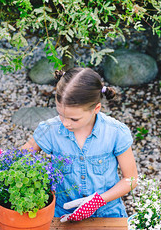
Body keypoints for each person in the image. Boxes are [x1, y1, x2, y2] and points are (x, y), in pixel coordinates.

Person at [21, 68, 138, 221]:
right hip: (62, 214)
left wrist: (97, 201)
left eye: (74, 119)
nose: (65, 123)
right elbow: (21, 157)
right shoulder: (50, 129)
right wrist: (5, 161)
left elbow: (131, 179)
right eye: (60, 115)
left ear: (96, 108)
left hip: (107, 214)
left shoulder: (115, 132)